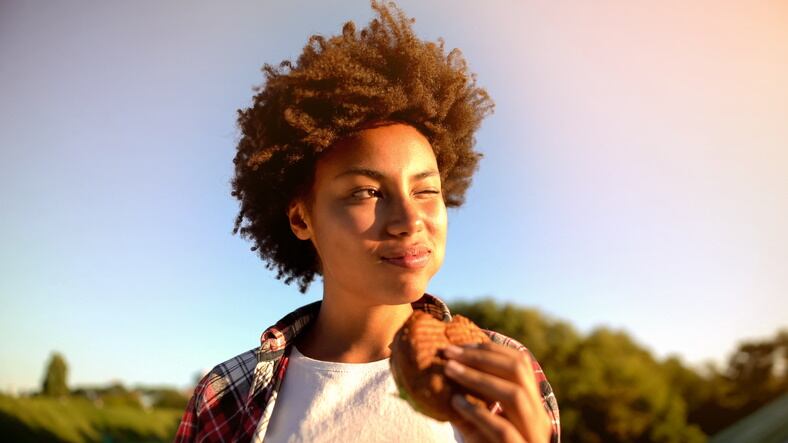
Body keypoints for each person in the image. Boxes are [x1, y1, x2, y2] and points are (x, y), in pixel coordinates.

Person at [175, 1, 560, 442]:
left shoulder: (505, 373)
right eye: (367, 192)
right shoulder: (224, 396)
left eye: (426, 190)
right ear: (302, 218)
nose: (409, 219)